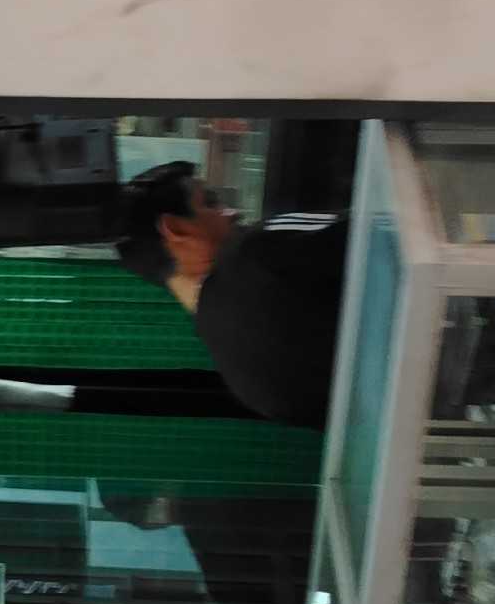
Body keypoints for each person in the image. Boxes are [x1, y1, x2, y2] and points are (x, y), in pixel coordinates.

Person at [112, 163, 348, 428]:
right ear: (176, 228)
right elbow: (376, 231)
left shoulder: (247, 385)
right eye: (210, 203)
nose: (233, 213)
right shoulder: (259, 251)